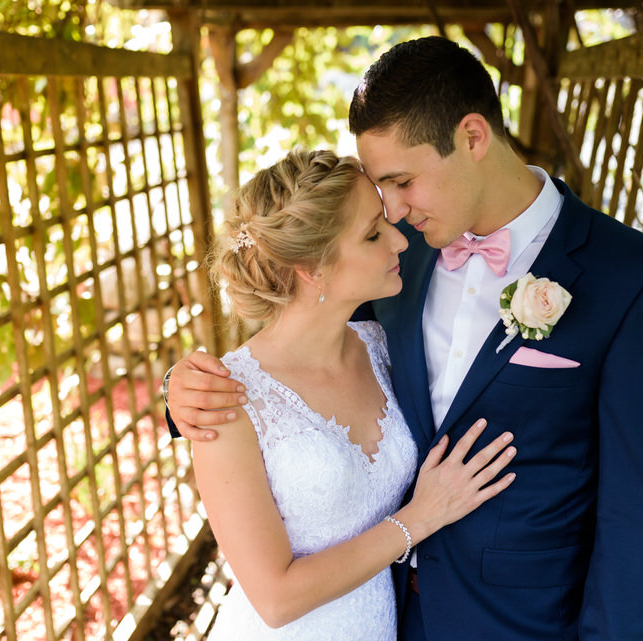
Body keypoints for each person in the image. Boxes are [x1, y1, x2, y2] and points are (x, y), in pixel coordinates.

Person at [167, 37, 643, 640]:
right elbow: (296, 343)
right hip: (387, 612)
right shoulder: (398, 259)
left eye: (402, 181)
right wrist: (185, 390)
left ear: (473, 137)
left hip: (518, 626)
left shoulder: (638, 283)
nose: (393, 212)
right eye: (381, 189)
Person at [194, 149, 516, 641]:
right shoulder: (228, 400)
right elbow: (276, 600)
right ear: (311, 268)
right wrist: (419, 519)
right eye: (372, 234)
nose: (399, 241)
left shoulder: (386, 348)